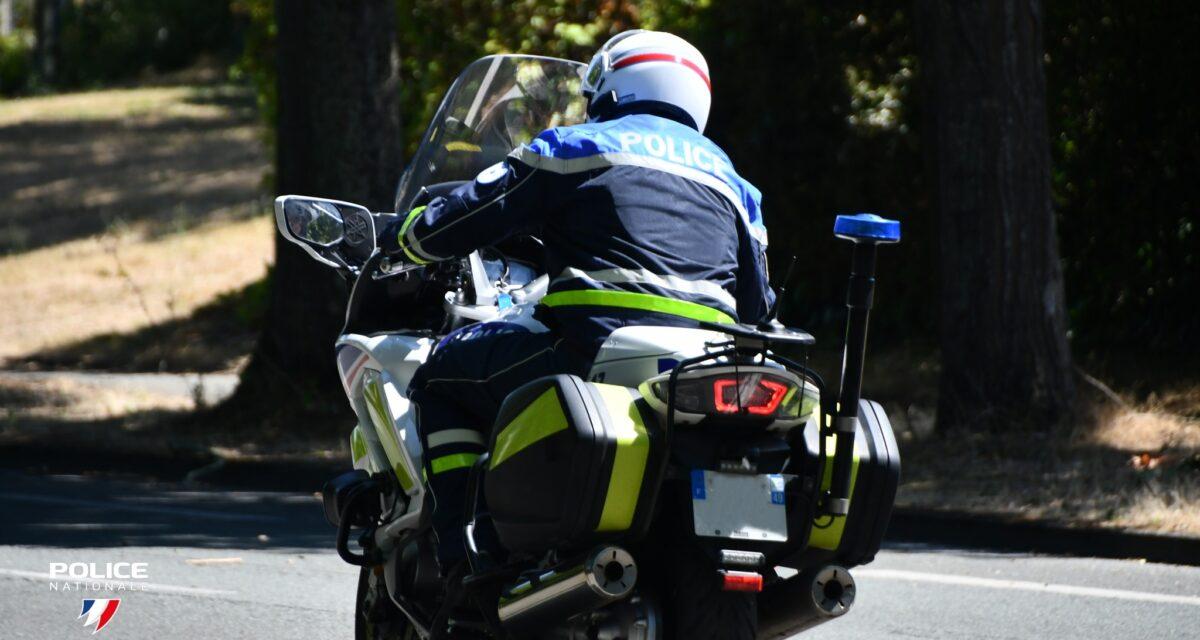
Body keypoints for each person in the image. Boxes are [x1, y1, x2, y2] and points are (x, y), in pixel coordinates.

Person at [381, 30, 774, 570]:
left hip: (591, 348)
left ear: (612, 88)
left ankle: (465, 549)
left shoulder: (574, 146)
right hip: (706, 366)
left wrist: (405, 239)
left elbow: (472, 212)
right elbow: (758, 307)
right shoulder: (737, 185)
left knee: (440, 378)